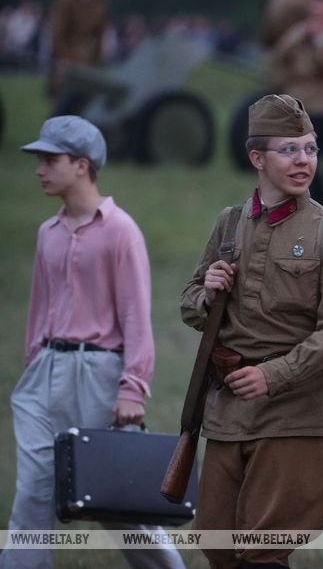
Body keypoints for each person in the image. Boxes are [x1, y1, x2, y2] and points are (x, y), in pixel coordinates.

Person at [181, 94, 323, 569]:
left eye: (311, 148)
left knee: (264, 552)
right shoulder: (229, 223)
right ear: (257, 158)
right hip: (227, 409)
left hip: (295, 412)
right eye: (289, 150)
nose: (304, 160)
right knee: (218, 546)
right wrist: (208, 292)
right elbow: (190, 302)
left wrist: (272, 375)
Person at [0, 116, 184, 568]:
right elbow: (39, 309)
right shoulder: (47, 233)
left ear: (81, 165)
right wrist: (36, 362)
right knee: (32, 494)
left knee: (118, 501)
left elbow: (135, 316)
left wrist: (132, 388)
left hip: (98, 376)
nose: (40, 170)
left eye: (50, 160)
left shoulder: (121, 231)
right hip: (45, 375)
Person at [267, 0, 323, 208]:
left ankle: (320, 202)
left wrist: (319, 39)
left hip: (321, 103)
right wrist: (300, 35)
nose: (319, 8)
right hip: (295, 100)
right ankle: (295, 198)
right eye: (316, 3)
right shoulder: (298, 29)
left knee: (312, 156)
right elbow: (279, 55)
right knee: (289, 153)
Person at [47, 0, 109, 101]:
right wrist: (64, 57)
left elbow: (99, 38)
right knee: (63, 96)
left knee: (84, 97)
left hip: (87, 58)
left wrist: (97, 63)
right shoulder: (66, 2)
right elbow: (58, 34)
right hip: (66, 56)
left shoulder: (99, 7)